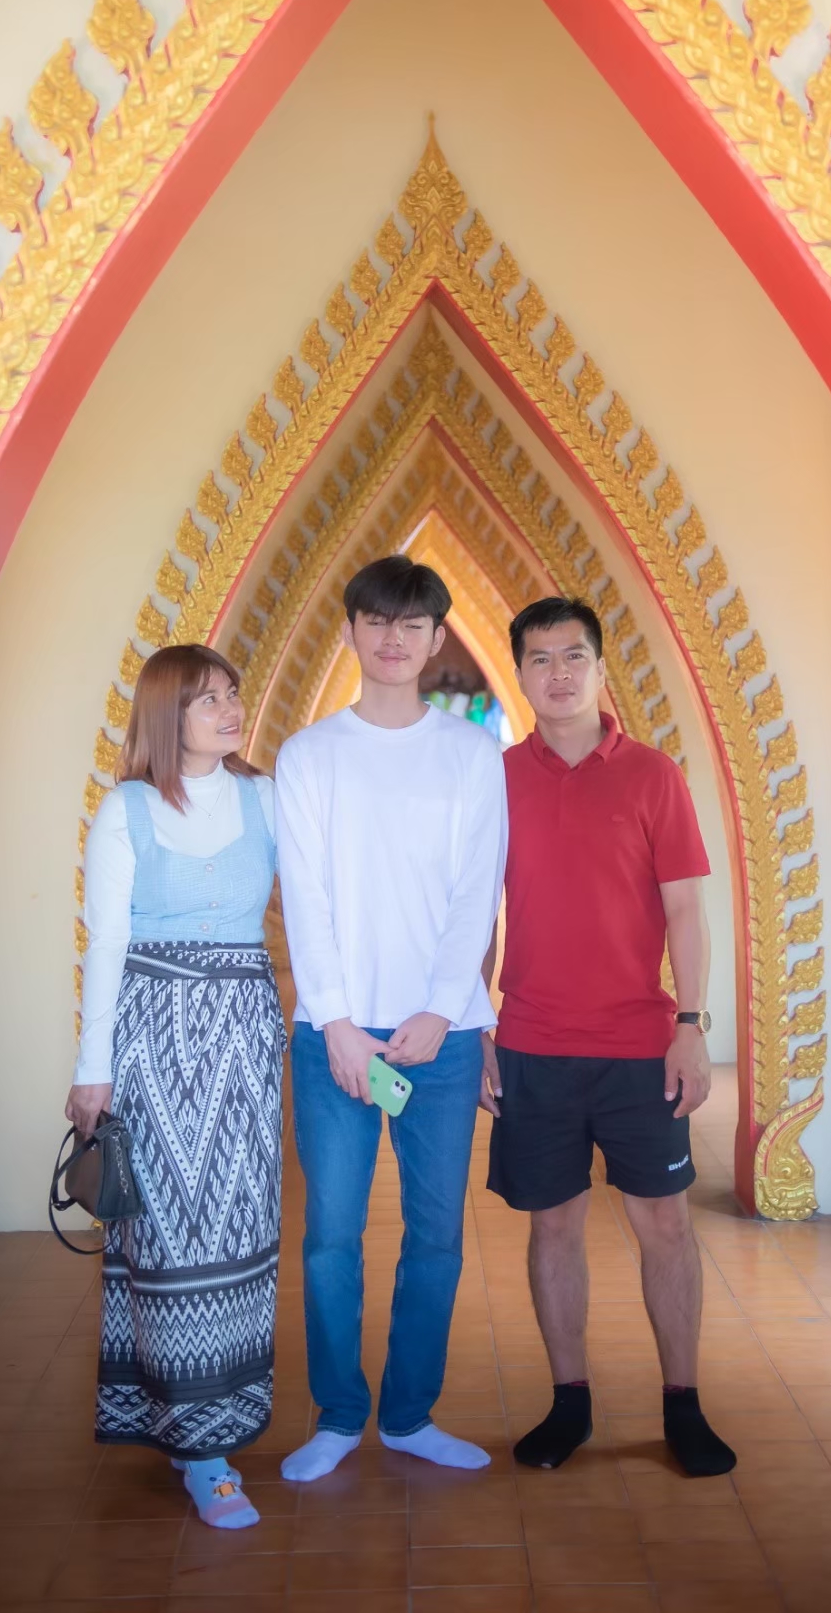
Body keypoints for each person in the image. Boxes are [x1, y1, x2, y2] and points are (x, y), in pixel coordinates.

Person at [482, 596, 737, 1477]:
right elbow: (474, 914)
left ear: (599, 667)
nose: (557, 673)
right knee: (552, 1228)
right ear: (520, 674)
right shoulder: (496, 780)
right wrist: (477, 1025)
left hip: (638, 1047)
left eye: (573, 656)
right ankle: (569, 1402)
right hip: (532, 1043)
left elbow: (685, 912)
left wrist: (691, 1025)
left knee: (663, 1224)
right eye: (540, 658)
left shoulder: (653, 776)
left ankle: (683, 1404)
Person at [275, 555, 507, 1482]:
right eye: (376, 620)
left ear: (436, 636)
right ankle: (338, 1415)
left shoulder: (470, 755)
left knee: (435, 1236)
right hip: (331, 1035)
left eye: (412, 624)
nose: (393, 639)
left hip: (440, 1039)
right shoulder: (309, 756)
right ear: (350, 631)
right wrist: (334, 1020)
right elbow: (304, 895)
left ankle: (409, 1416)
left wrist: (441, 1010)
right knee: (331, 1236)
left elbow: (476, 891)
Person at [66, 644, 285, 1529]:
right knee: (166, 1236)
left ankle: (223, 1418)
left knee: (240, 1226)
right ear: (167, 714)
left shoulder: (265, 798)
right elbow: (106, 943)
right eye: (206, 700)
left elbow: (320, 905)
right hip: (153, 1040)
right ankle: (199, 1448)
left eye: (232, 694)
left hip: (245, 1037)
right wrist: (91, 1069)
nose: (230, 710)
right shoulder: (125, 810)